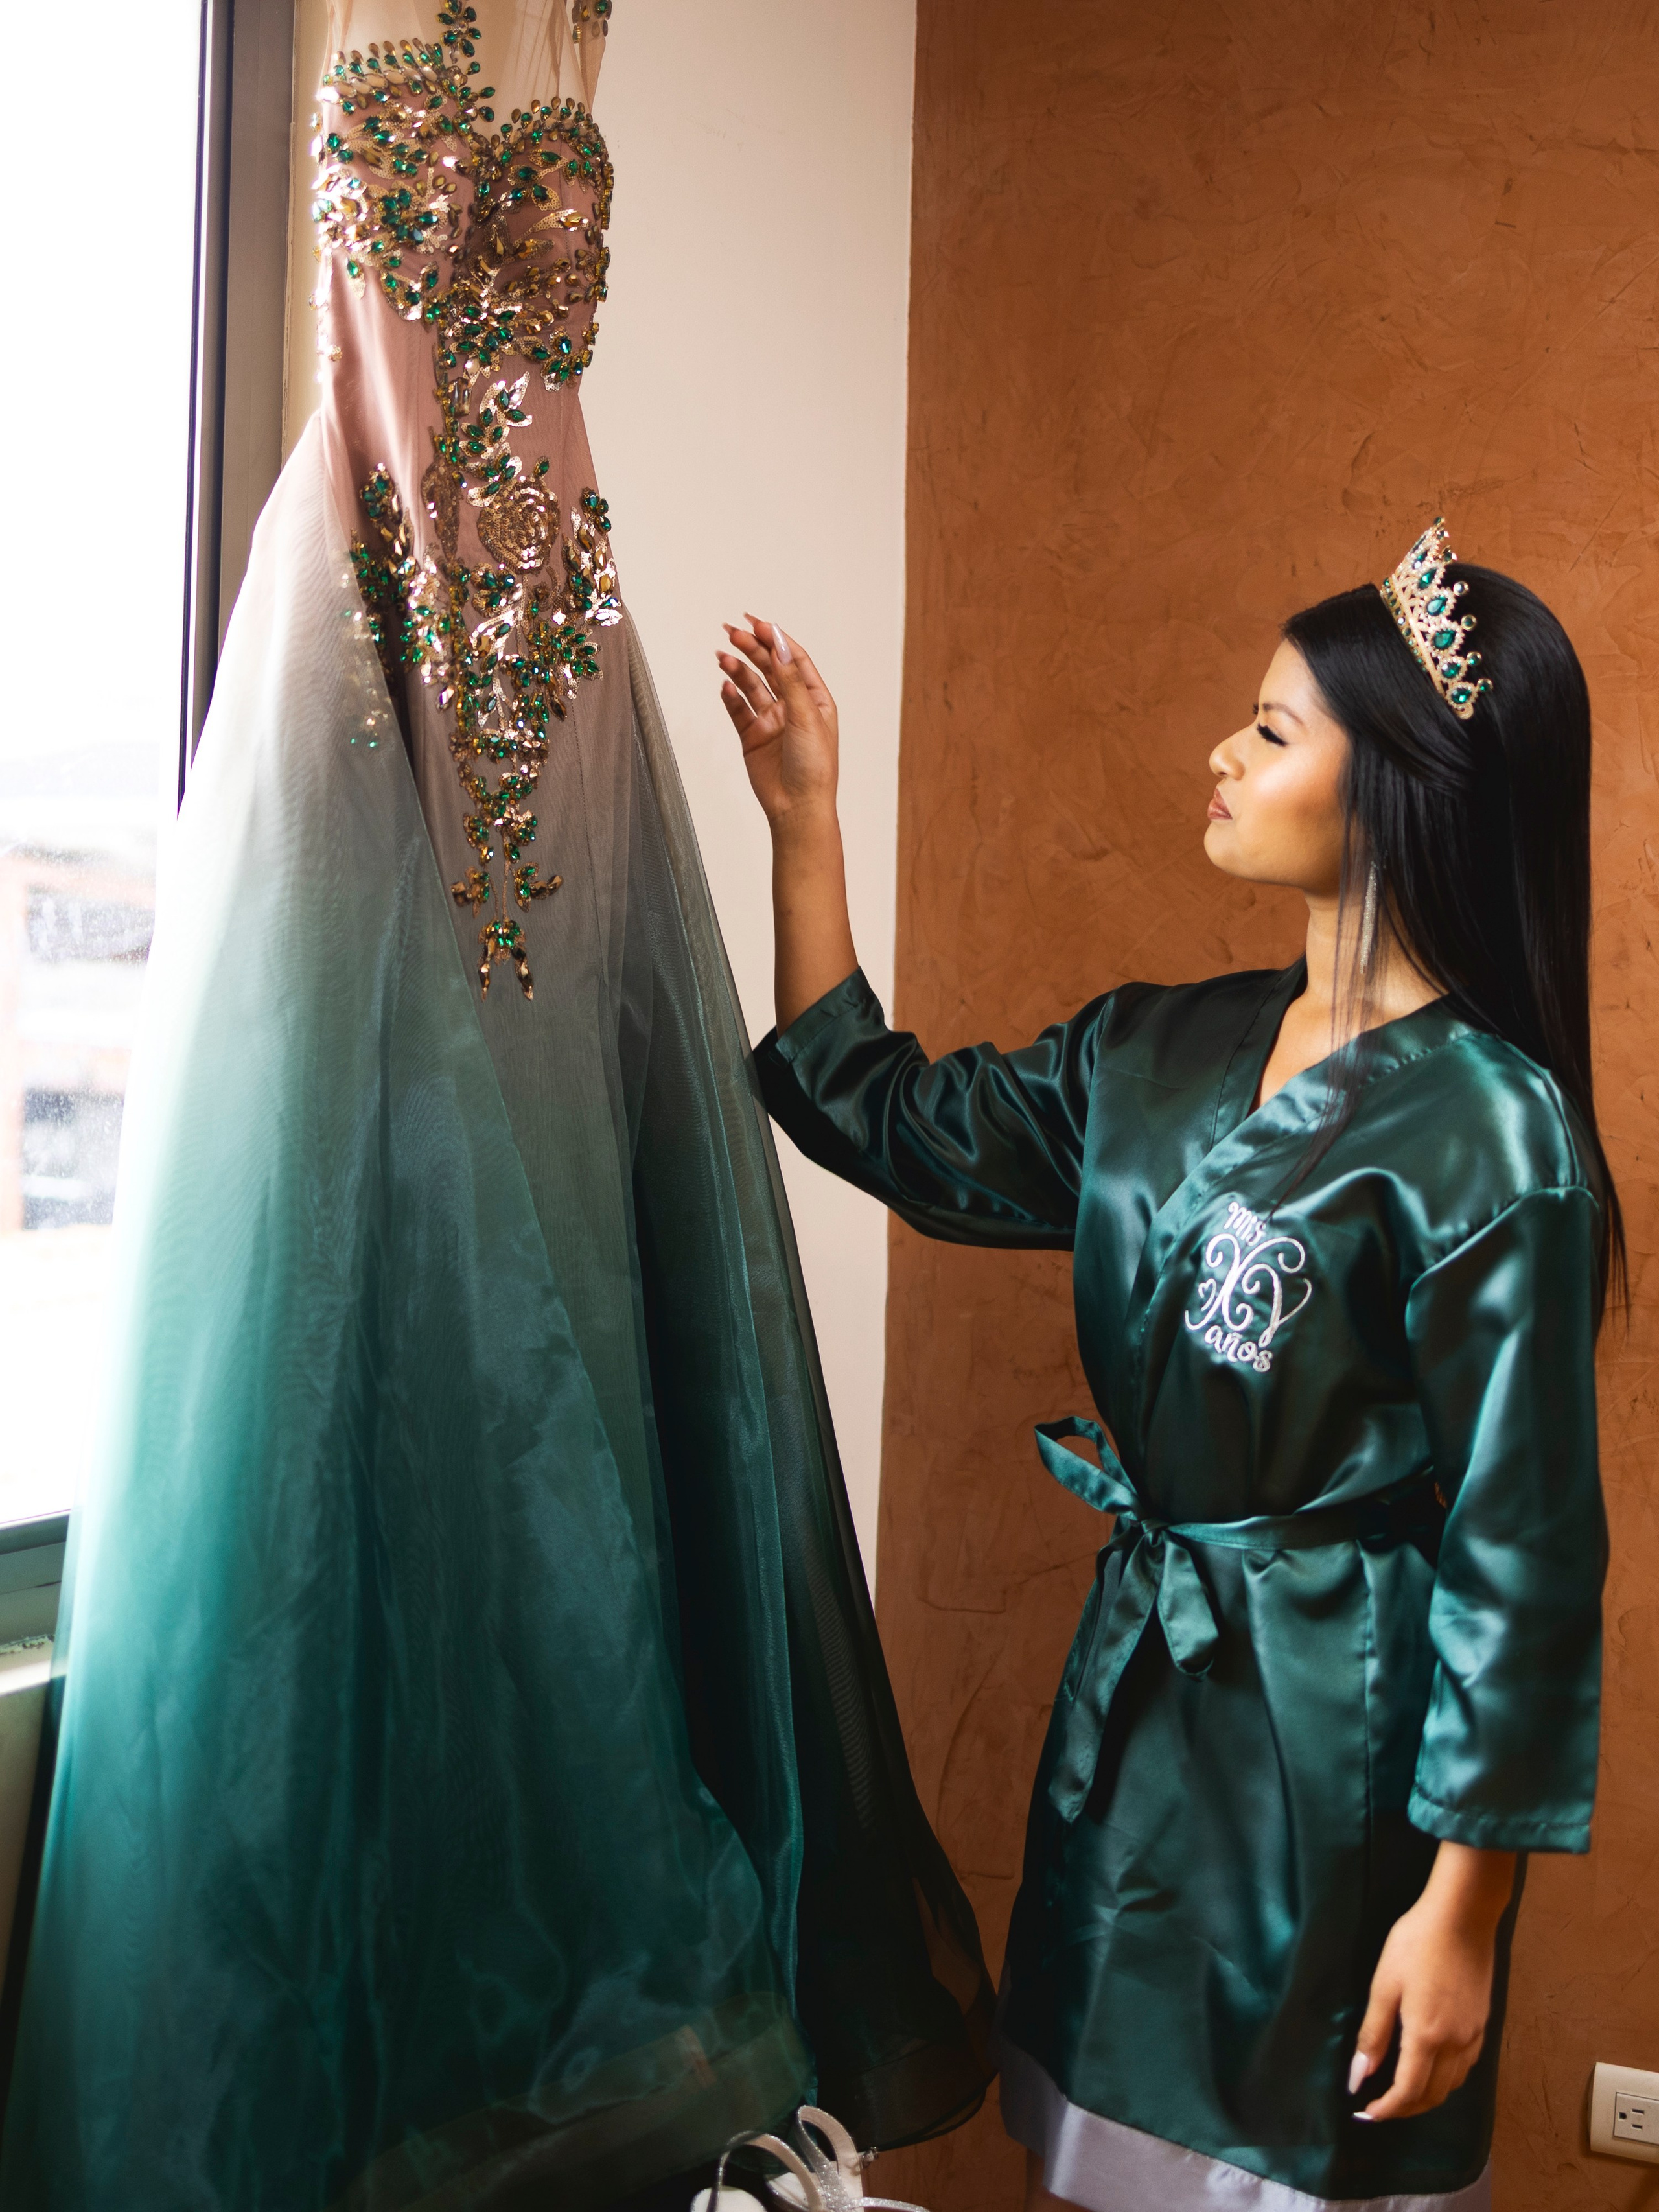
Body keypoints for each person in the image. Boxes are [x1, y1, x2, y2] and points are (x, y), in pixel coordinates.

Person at [715, 518, 1616, 2212]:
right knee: (1119, 2152)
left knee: (1302, 2166)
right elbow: (890, 1118)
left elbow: (1528, 1557)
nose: (1223, 750)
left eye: (1274, 729)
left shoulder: (1496, 1135)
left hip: (1339, 1742)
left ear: (1403, 786)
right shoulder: (1159, 1046)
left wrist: (1464, 1912)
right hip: (1140, 1700)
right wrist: (805, 820)